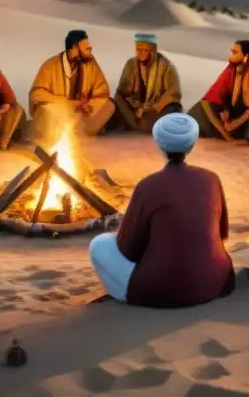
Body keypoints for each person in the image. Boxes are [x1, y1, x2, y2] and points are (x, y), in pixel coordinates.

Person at [89, 113, 235, 307]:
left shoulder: (148, 186)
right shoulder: (211, 179)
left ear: (160, 144)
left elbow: (128, 250)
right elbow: (221, 233)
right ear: (192, 145)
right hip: (215, 281)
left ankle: (122, 295)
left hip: (161, 290)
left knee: (99, 244)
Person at [29, 29, 116, 146]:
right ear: (74, 48)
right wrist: (66, 103)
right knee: (49, 111)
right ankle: (64, 133)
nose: (90, 51)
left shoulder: (89, 62)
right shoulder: (51, 65)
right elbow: (36, 94)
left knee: (109, 105)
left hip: (80, 114)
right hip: (59, 114)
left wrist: (89, 105)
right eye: (87, 48)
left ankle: (79, 131)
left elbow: (102, 90)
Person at [188, 39, 249, 145]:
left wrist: (234, 124)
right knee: (196, 113)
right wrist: (225, 128)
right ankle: (227, 135)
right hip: (232, 118)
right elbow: (208, 99)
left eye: (235, 53)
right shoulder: (230, 71)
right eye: (232, 52)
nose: (230, 57)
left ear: (247, 57)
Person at [113, 33, 182, 133]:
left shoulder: (166, 66)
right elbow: (123, 89)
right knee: (118, 98)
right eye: (138, 50)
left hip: (156, 107)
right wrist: (129, 90)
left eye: (144, 50)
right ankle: (135, 123)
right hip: (136, 107)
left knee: (171, 110)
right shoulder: (131, 64)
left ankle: (140, 124)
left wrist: (151, 108)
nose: (140, 53)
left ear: (152, 51)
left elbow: (174, 92)